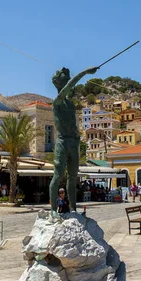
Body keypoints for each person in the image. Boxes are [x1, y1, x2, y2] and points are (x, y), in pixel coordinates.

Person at [50, 66, 99, 214]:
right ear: (59, 84)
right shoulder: (57, 101)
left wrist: (77, 139)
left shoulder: (70, 105)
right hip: (62, 141)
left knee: (73, 176)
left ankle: (73, 208)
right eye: (65, 81)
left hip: (73, 142)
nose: (68, 85)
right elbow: (68, 87)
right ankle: (53, 210)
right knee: (58, 175)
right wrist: (84, 72)